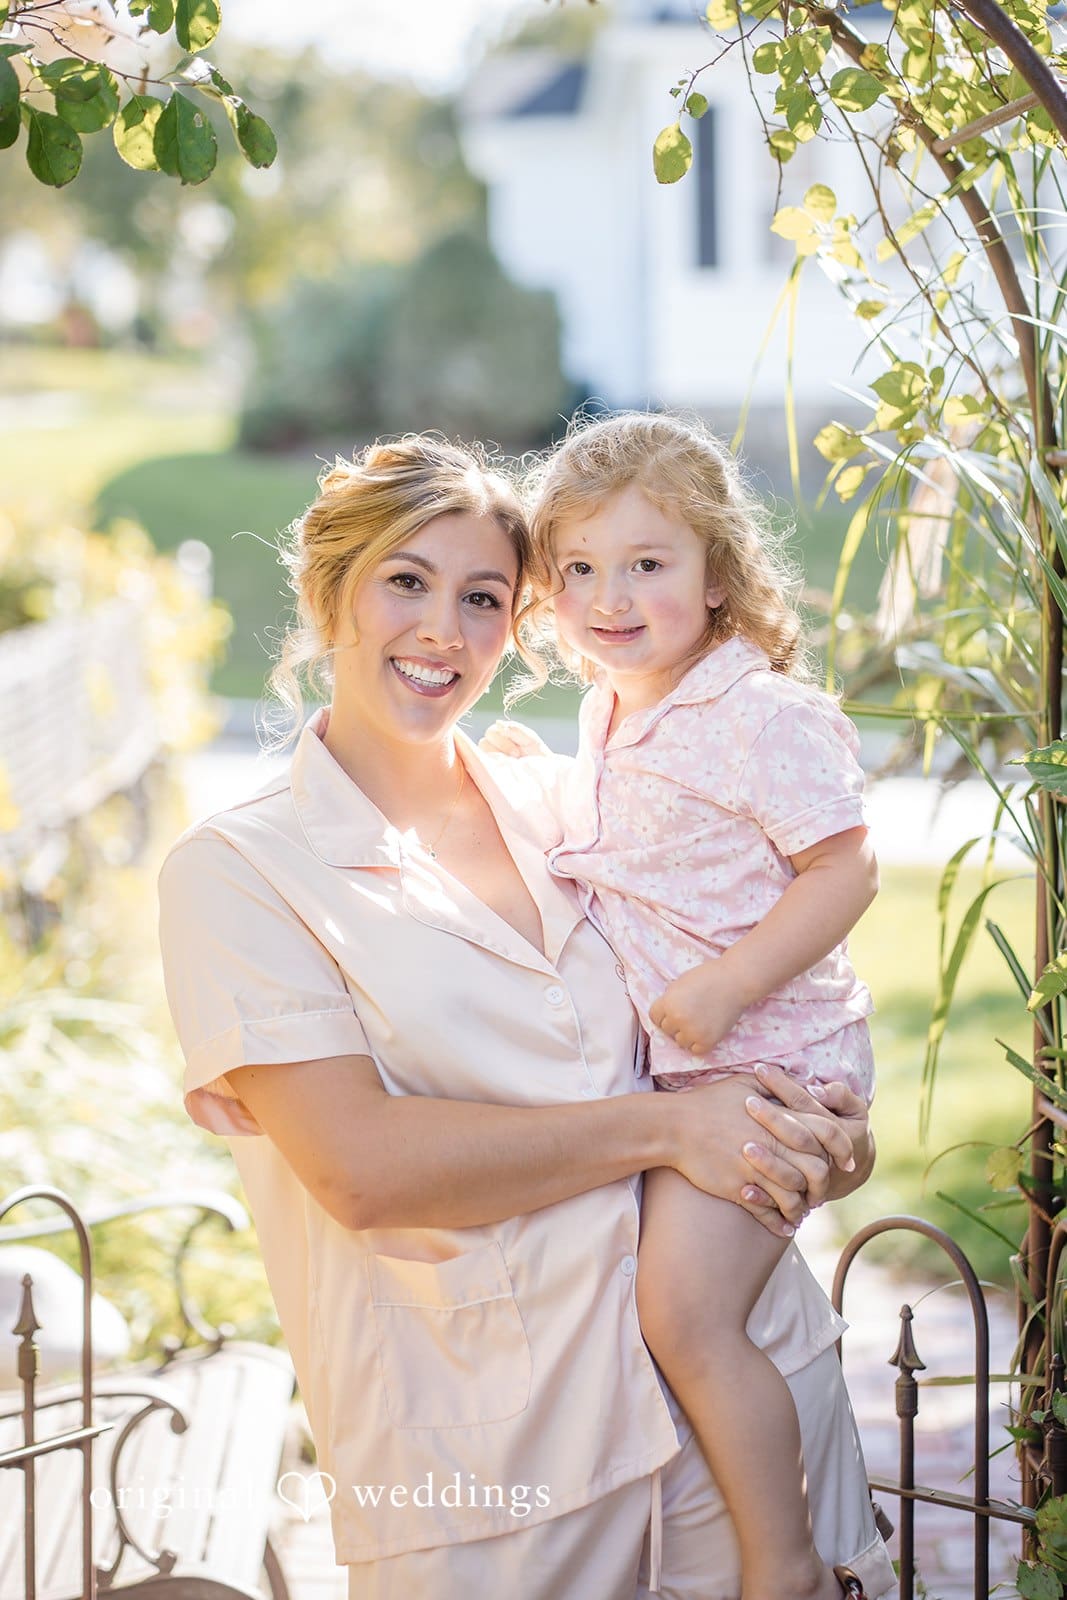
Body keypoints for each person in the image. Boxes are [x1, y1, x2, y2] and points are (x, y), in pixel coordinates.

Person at [157, 434, 895, 1600]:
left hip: (739, 1421)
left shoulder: (575, 806)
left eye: (484, 595)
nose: (443, 628)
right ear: (327, 589)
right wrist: (668, 1132)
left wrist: (824, 1140)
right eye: (406, 580)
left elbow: (768, 974)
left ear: (519, 620)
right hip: (493, 1477)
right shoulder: (241, 873)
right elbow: (361, 1170)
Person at [486, 410, 880, 1600]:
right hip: (693, 1078)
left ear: (716, 574)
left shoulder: (759, 713)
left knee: (682, 1315)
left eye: (646, 564)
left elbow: (843, 868)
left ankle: (783, 1562)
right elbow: (650, 844)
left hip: (766, 1066)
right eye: (580, 571)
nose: (610, 595)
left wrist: (729, 981)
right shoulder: (617, 705)